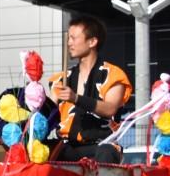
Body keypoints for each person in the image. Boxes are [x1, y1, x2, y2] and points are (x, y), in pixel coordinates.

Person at [48, 15, 132, 163]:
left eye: (74, 38)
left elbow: (110, 109)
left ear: (92, 41)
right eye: (68, 38)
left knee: (106, 151)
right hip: (66, 146)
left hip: (100, 145)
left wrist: (76, 98)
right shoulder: (60, 79)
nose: (69, 43)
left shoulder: (113, 75)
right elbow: (48, 113)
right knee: (41, 150)